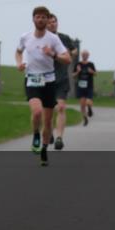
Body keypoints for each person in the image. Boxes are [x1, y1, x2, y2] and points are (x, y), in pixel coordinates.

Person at [15, 6, 70, 166]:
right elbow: (18, 52)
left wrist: (52, 54)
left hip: (49, 81)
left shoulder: (53, 39)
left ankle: (44, 149)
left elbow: (67, 59)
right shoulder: (25, 37)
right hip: (32, 79)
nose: (40, 19)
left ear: (47, 20)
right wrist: (19, 63)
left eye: (43, 17)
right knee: (37, 111)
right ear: (33, 19)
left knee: (47, 121)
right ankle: (35, 135)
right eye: (37, 17)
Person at [46, 14, 77, 150]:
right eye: (50, 22)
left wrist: (72, 53)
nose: (53, 24)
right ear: (46, 25)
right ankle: (50, 131)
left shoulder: (64, 38)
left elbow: (74, 49)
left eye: (55, 22)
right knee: (49, 109)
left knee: (61, 107)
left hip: (62, 77)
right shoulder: (43, 39)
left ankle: (59, 138)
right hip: (47, 78)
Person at [74, 50, 97, 126]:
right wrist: (78, 71)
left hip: (89, 86)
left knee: (88, 102)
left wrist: (92, 72)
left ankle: (90, 109)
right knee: (82, 105)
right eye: (83, 54)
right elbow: (72, 75)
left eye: (86, 55)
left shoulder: (91, 64)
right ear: (81, 55)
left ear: (88, 56)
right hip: (81, 87)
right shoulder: (78, 64)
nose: (84, 56)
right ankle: (85, 119)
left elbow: (96, 74)